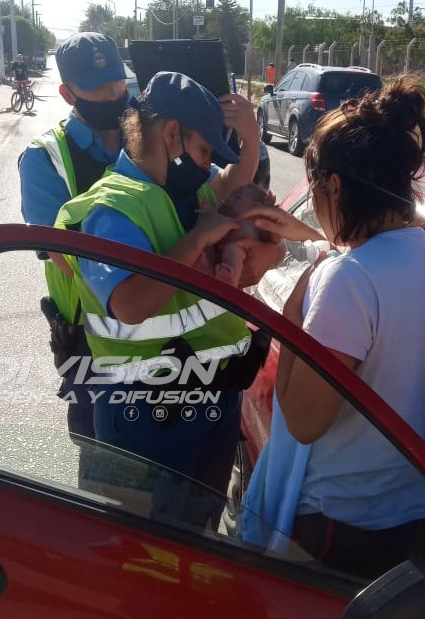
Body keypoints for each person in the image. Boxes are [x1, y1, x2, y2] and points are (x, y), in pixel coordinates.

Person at [240, 76, 425, 578]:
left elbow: (304, 422)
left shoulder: (348, 280)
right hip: (408, 507)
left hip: (340, 521)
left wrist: (294, 312)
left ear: (334, 186)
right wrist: (316, 241)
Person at [54, 71, 281, 522]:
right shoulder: (112, 208)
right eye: (203, 152)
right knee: (143, 545)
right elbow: (130, 304)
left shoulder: (175, 192)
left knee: (197, 535)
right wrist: (198, 239)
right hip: (143, 415)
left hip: (207, 400)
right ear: (172, 135)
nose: (207, 166)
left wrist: (251, 140)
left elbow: (233, 181)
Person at [19, 32, 130, 443]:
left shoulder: (151, 138)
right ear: (68, 93)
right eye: (98, 88)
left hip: (163, 333)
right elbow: (64, 260)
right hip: (91, 342)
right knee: (102, 461)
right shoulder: (44, 159)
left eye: (117, 82)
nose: (113, 94)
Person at [205, 184, 275, 286]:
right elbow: (209, 223)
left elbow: (273, 238)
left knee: (234, 249)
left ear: (256, 206)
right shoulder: (223, 217)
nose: (229, 200)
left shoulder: (257, 223)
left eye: (237, 197)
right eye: (229, 197)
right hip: (216, 254)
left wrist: (269, 212)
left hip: (243, 252)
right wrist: (209, 214)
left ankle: (229, 278)